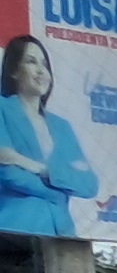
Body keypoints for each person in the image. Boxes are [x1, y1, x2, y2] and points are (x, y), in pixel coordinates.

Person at [0, 33, 100, 241]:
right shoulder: (3, 109)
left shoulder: (62, 127)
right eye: (31, 61)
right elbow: (8, 173)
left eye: (44, 64)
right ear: (14, 71)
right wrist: (58, 193)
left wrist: (38, 168)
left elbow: (89, 184)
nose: (41, 71)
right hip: (14, 228)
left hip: (61, 232)